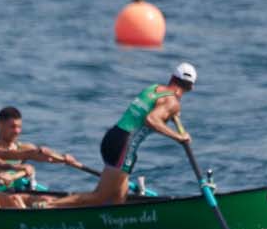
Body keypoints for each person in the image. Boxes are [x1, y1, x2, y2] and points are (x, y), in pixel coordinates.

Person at [42, 63, 197, 208]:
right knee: (99, 197)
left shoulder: (153, 88)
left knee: (119, 196)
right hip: (125, 146)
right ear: (190, 87)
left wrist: (169, 115)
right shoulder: (172, 102)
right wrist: (178, 137)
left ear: (172, 77)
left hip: (112, 137)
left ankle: (113, 224)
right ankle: (48, 206)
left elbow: (147, 113)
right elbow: (151, 119)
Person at [0, 106, 84, 194]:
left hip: (17, 189)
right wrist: (31, 154)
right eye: (12, 127)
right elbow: (6, 154)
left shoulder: (23, 147)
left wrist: (63, 159)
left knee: (47, 197)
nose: (17, 131)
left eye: (19, 127)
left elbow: (46, 157)